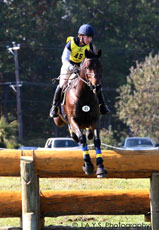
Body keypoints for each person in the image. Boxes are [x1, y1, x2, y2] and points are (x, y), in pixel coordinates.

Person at [49, 24, 110, 118]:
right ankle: (54, 107)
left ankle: (102, 105)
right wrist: (71, 67)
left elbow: (93, 59)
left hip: (82, 68)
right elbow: (64, 59)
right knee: (62, 84)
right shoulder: (71, 43)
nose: (90, 39)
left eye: (91, 37)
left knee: (96, 83)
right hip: (68, 66)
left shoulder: (90, 46)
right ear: (81, 36)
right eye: (88, 37)